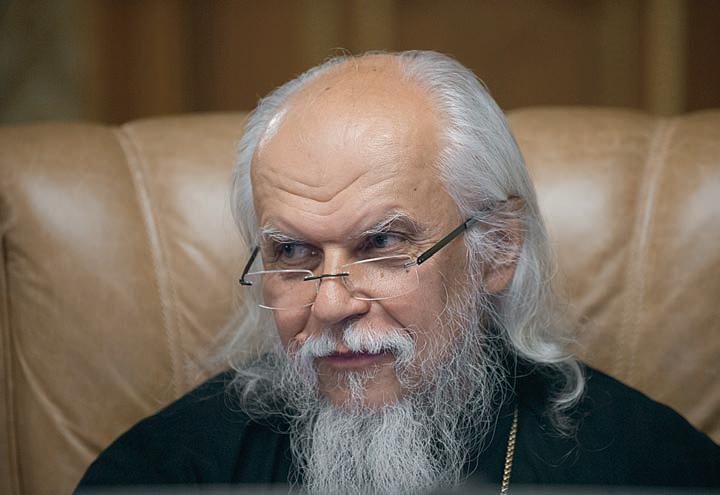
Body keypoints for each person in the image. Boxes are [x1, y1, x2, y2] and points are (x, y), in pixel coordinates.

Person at [76, 51, 720, 493]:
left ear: (496, 249)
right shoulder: (169, 469)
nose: (332, 306)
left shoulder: (649, 466)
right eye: (294, 253)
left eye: (381, 244)